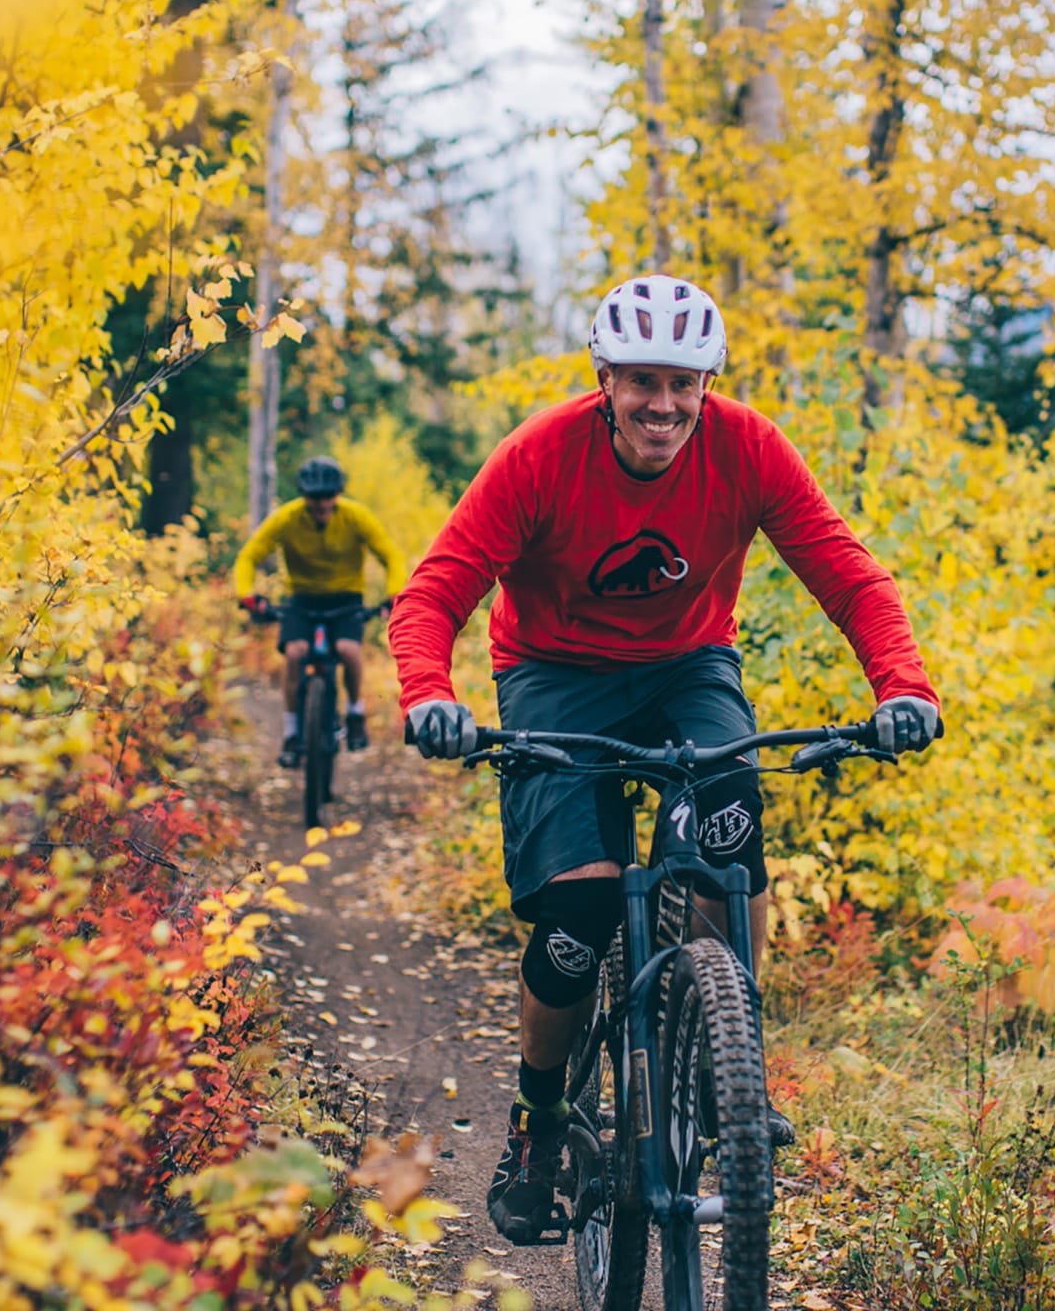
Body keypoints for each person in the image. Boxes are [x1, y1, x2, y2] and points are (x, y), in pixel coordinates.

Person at [386, 273, 943, 1246]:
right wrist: (431, 695)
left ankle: (735, 1065)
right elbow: (432, 593)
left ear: (708, 383)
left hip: (688, 665)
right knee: (583, 905)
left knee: (731, 831)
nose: (665, 403)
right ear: (603, 377)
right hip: (554, 672)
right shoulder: (538, 458)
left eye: (685, 382)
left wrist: (902, 686)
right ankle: (542, 1119)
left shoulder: (748, 447)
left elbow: (852, 577)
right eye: (642, 379)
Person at [234, 456, 409, 766]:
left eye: (328, 497)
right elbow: (249, 556)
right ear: (304, 496)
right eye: (314, 498)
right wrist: (246, 595)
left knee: (348, 649)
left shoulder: (356, 517)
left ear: (337, 495)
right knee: (294, 653)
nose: (321, 504)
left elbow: (391, 555)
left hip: (346, 598)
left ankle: (355, 712)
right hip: (302, 598)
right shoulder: (287, 518)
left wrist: (394, 593)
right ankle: (290, 733)